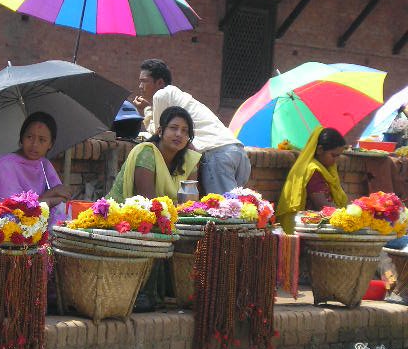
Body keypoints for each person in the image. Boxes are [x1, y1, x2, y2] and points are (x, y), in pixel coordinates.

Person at [133, 58, 250, 195]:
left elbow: (158, 133)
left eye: (144, 81)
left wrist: (147, 109)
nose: (140, 86)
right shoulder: (179, 96)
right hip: (238, 153)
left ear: (159, 82)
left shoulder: (161, 94)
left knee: (226, 211)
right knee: (236, 208)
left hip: (218, 156)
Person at [0, 111, 71, 228]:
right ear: (21, 138)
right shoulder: (5, 165)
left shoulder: (44, 164)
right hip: (7, 233)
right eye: (29, 137)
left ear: (50, 144)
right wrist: (50, 196)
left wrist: (58, 195)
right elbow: (13, 211)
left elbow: (61, 201)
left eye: (42, 140)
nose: (34, 144)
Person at [109, 106, 201, 203]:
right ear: (160, 131)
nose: (179, 134)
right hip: (121, 213)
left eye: (184, 130)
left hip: (172, 215)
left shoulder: (190, 159)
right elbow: (149, 203)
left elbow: (190, 204)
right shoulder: (146, 153)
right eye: (173, 128)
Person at [276, 126, 348, 234]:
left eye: (338, 156)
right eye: (333, 155)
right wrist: (349, 215)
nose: (336, 160)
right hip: (305, 229)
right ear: (319, 150)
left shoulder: (326, 169)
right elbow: (322, 205)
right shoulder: (313, 170)